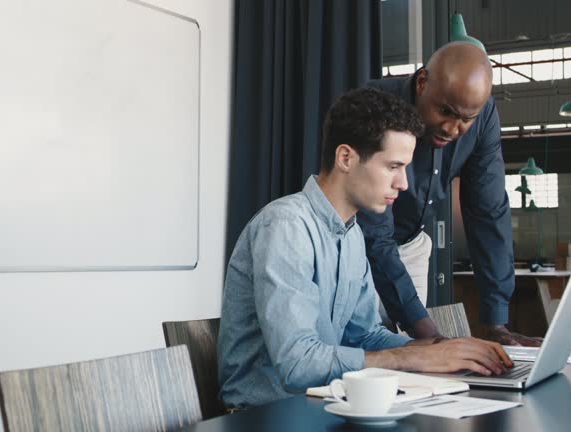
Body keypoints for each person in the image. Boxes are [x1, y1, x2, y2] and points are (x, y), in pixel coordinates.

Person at [217, 87, 513, 409]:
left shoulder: (352, 234)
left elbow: (365, 336)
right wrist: (413, 357)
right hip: (263, 416)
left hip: (322, 405)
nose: (403, 183)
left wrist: (441, 349)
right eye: (393, 167)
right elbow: (298, 365)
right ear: (346, 158)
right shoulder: (286, 227)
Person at [361, 42, 541, 345]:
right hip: (358, 246)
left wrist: (496, 324)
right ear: (421, 83)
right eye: (445, 111)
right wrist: (428, 332)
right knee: (365, 348)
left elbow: (489, 212)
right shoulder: (375, 105)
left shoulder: (482, 118)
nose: (452, 128)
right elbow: (374, 233)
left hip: (412, 244)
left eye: (465, 119)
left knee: (415, 363)